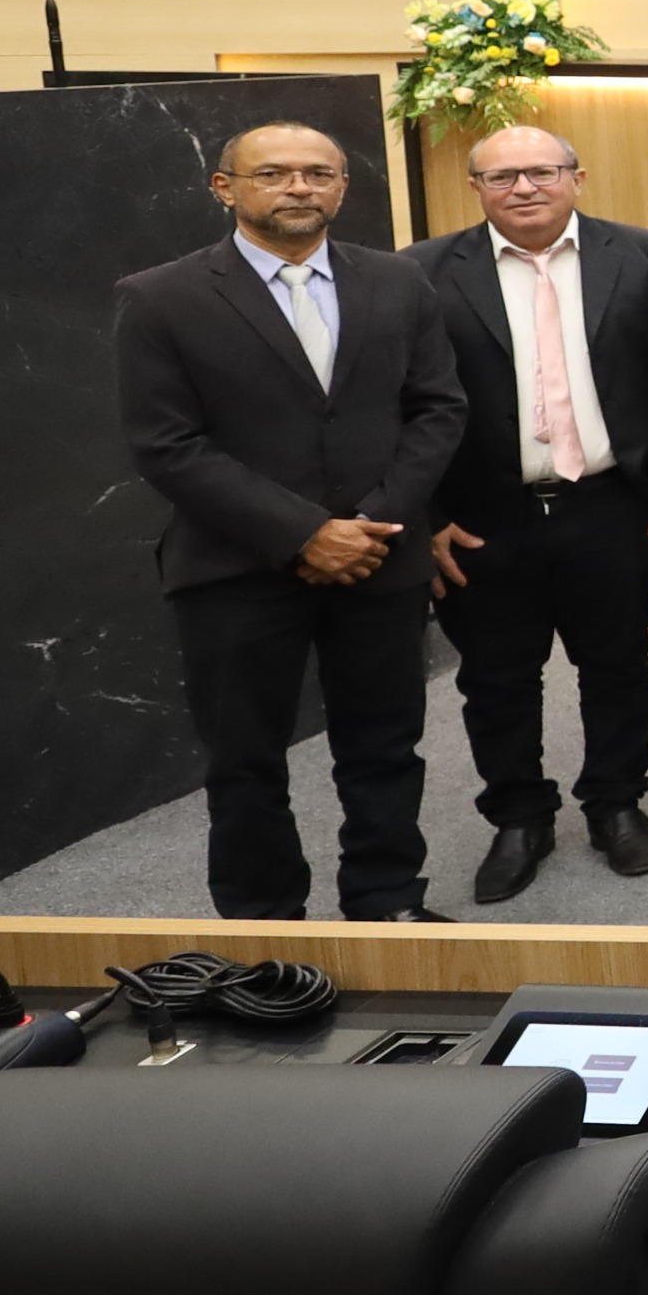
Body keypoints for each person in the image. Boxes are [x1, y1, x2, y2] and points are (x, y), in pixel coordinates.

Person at [115, 121, 464, 921]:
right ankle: (264, 925)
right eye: (272, 173)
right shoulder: (161, 296)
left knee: (385, 745)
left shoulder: (399, 281)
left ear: (343, 186)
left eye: (317, 172)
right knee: (245, 761)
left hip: (380, 559)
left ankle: (387, 902)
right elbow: (166, 444)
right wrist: (303, 532)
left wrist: (373, 521)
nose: (298, 186)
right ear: (224, 188)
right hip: (236, 568)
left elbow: (438, 408)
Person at [410, 126, 648, 904]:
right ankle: (519, 817)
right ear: (475, 187)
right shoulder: (422, 271)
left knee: (619, 664)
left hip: (612, 504)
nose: (524, 187)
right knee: (495, 677)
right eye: (502, 176)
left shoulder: (646, 255)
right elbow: (395, 400)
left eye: (541, 171)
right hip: (480, 516)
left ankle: (616, 803)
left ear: (577, 176)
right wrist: (426, 514)